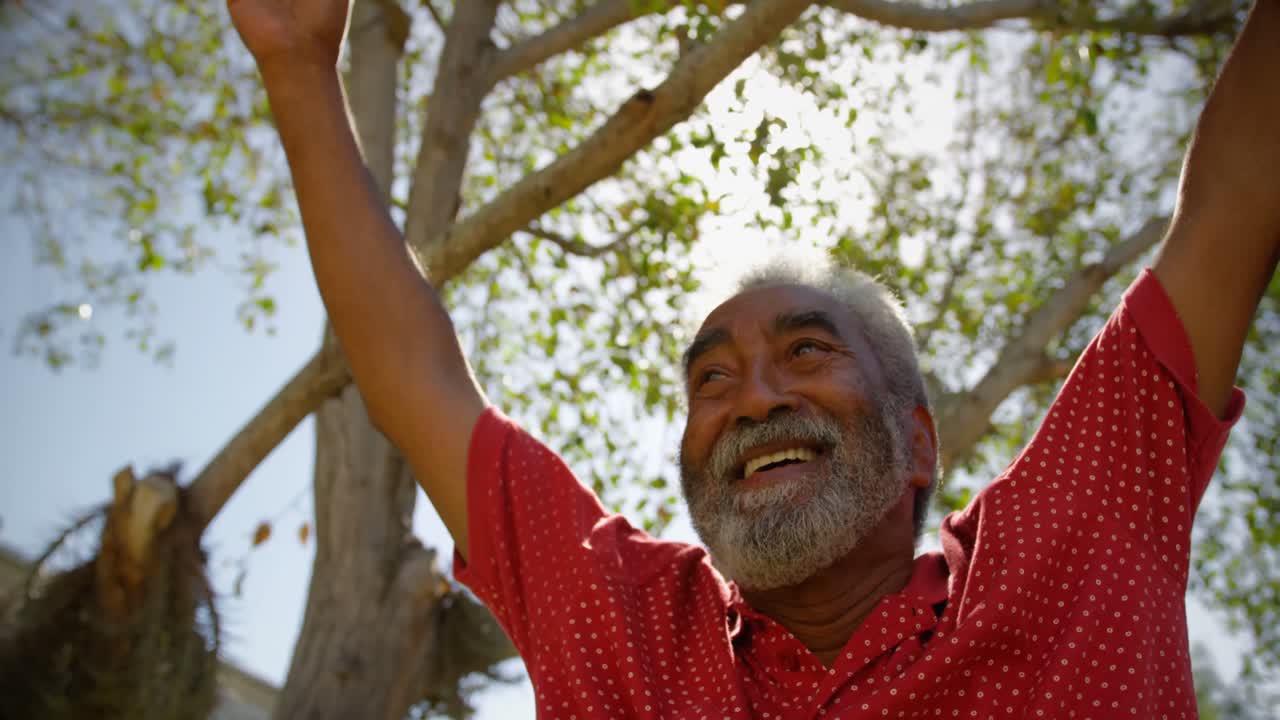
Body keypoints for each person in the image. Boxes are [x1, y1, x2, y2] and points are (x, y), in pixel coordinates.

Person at [228, 0, 1278, 715]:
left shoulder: (1072, 545)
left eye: (806, 349)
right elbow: (414, 378)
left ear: (916, 440)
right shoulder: (622, 623)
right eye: (709, 379)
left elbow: (1233, 196)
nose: (750, 398)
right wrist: (297, 68)